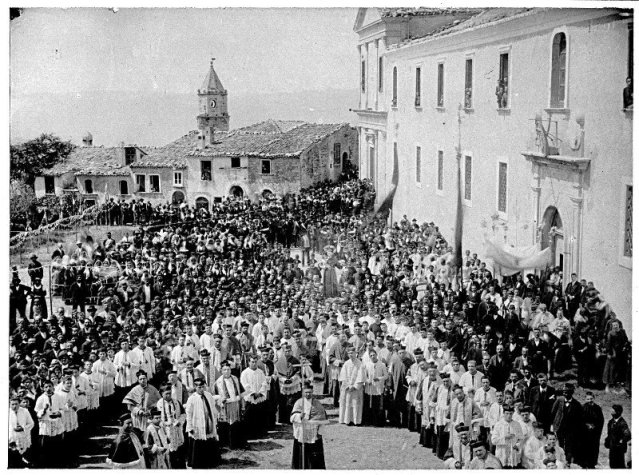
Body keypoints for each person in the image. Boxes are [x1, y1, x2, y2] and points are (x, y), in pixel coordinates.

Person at [290, 382, 329, 469]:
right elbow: (292, 417)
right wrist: (299, 416)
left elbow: (322, 420)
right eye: (306, 392)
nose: (308, 394)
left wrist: (320, 432)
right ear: (303, 392)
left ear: (312, 392)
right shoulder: (299, 402)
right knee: (301, 456)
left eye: (310, 392)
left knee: (314, 459)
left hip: (314, 434)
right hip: (302, 433)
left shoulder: (317, 403)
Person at [185, 377, 221, 468]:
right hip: (197, 424)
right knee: (198, 443)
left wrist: (215, 420)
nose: (201, 389)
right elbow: (188, 414)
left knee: (209, 440)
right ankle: (198, 463)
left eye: (203, 387)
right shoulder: (192, 398)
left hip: (208, 421)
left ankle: (210, 461)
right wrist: (190, 427)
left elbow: (213, 408)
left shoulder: (208, 395)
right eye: (199, 387)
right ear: (195, 387)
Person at [214, 360, 246, 449]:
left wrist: (242, 404)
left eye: (228, 369)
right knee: (225, 424)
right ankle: (225, 444)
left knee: (235, 424)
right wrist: (221, 399)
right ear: (221, 371)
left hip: (235, 404)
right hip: (225, 406)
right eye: (224, 370)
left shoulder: (235, 379)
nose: (227, 372)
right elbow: (214, 396)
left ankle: (235, 444)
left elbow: (241, 392)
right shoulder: (218, 382)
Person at [156, 383, 186, 468]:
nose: (168, 395)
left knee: (179, 451)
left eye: (170, 393)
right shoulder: (159, 404)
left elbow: (183, 414)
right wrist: (163, 424)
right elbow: (157, 419)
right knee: (170, 453)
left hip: (177, 430)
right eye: (166, 394)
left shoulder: (176, 402)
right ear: (161, 394)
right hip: (166, 431)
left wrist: (180, 421)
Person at [240, 354, 269, 440]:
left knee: (259, 416)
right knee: (249, 416)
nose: (254, 363)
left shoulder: (260, 372)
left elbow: (264, 383)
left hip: (259, 397)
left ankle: (259, 433)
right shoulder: (245, 373)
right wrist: (252, 393)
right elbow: (245, 384)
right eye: (252, 362)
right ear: (249, 362)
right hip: (250, 398)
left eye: (255, 362)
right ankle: (250, 435)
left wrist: (260, 393)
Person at [338, 345, 365, 426]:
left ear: (355, 353)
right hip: (347, 388)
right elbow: (343, 375)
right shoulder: (346, 363)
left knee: (356, 404)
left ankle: (356, 421)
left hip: (356, 389)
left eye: (352, 353)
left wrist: (355, 386)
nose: (350, 355)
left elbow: (361, 376)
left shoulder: (360, 364)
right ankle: (347, 420)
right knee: (347, 403)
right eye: (349, 353)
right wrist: (348, 385)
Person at [9, 397, 35, 467]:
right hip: (12, 438)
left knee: (25, 456)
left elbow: (31, 423)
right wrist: (10, 439)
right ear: (9, 404)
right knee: (14, 458)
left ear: (19, 404)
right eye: (12, 404)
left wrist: (23, 428)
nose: (14, 406)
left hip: (24, 437)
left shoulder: (25, 411)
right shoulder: (7, 412)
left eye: (16, 404)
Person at [582, 391, 605, 468]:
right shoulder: (582, 408)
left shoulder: (597, 408)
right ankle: (584, 463)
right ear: (585, 399)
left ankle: (592, 464)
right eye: (588, 399)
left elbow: (601, 420)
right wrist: (586, 425)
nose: (589, 400)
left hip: (595, 433)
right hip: (585, 432)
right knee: (585, 447)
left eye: (591, 399)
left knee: (594, 448)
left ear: (594, 398)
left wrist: (595, 427)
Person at [605, 404, 631, 469]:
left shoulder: (622, 423)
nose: (611, 412)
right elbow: (609, 434)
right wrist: (607, 441)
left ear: (618, 412)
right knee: (612, 464)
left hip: (619, 449)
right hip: (612, 447)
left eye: (613, 411)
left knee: (619, 465)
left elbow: (628, 435)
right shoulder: (611, 422)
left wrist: (621, 441)